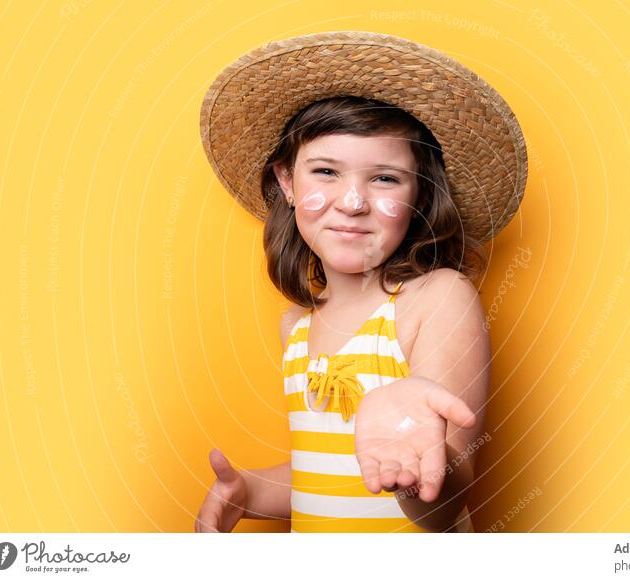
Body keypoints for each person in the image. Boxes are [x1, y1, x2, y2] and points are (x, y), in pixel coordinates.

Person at [195, 31, 527, 533]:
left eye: (385, 178)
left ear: (420, 193)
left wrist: (414, 470)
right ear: (286, 182)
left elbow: (442, 506)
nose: (352, 202)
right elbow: (328, 476)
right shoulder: (296, 329)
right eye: (326, 171)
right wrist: (248, 490)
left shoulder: (435, 300)